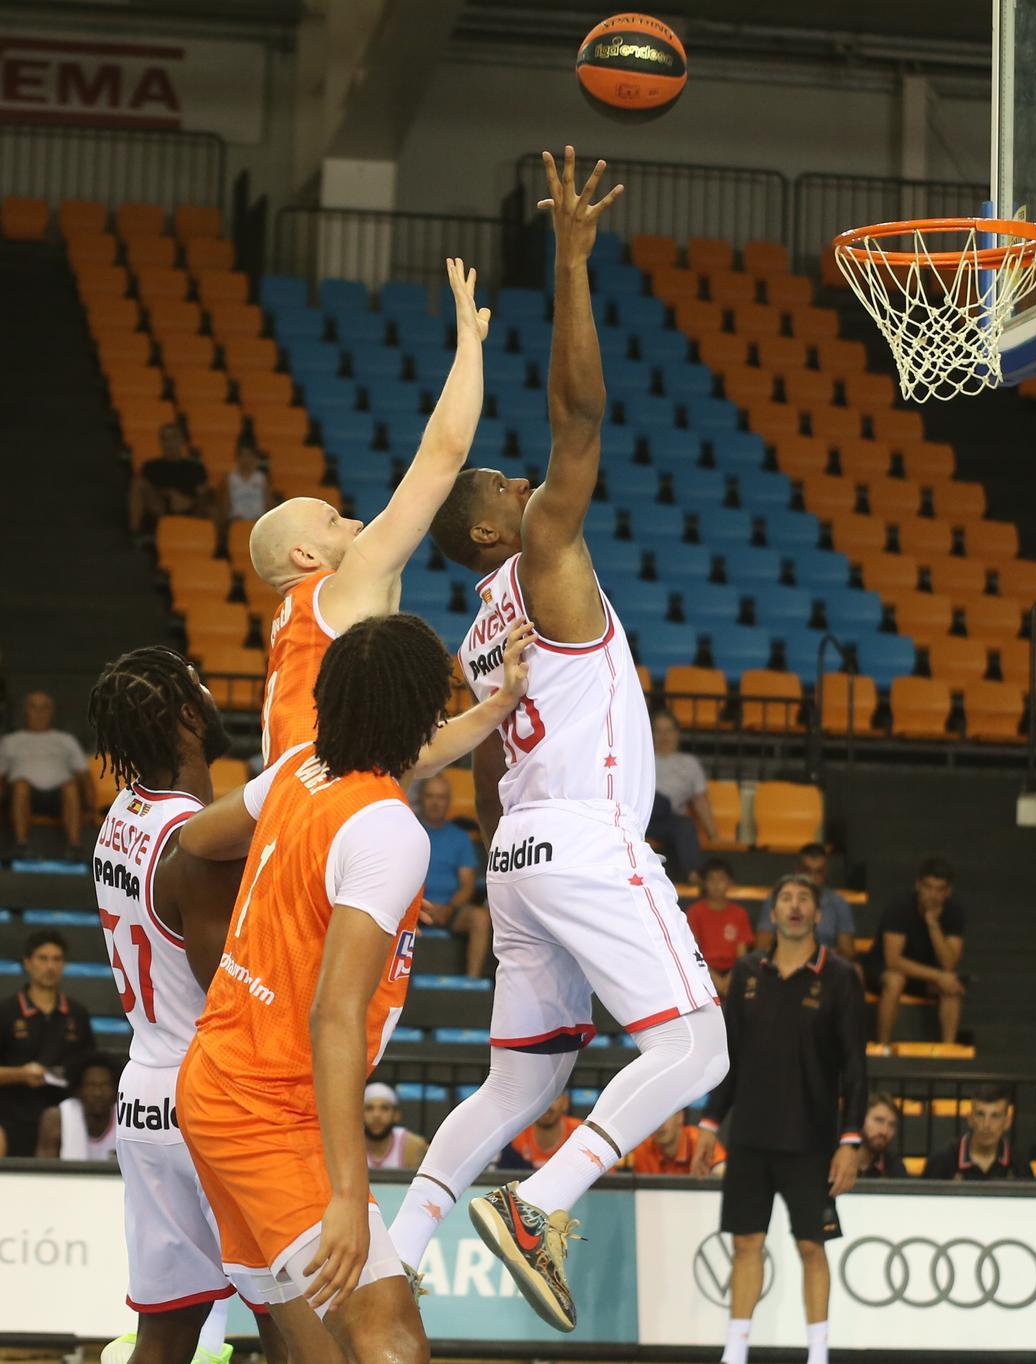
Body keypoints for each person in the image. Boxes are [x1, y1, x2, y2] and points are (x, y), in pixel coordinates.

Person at [389, 147, 728, 1337]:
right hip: (581, 832)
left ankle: (397, 1248)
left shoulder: (477, 630)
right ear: (495, 522)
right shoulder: (539, 554)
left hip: (518, 847)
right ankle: (540, 1201)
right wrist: (573, 263)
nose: (530, 481)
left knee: (521, 1077)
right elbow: (580, 413)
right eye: (511, 483)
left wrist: (509, 859)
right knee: (697, 1047)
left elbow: (482, 767)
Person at [174, 612, 529, 1363]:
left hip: (213, 1080)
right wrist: (346, 1193)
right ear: (416, 711)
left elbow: (197, 840)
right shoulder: (390, 832)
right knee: (389, 1337)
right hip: (273, 1110)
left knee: (319, 1357)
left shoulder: (302, 766)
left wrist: (495, 709)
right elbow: (334, 1016)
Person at [88, 645, 291, 1364]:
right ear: (184, 714)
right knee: (290, 1326)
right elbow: (230, 991)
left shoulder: (120, 817)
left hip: (144, 1094)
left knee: (167, 1335)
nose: (212, 699)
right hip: (209, 1091)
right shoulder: (196, 841)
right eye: (202, 690)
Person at [252, 257, 489, 766]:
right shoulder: (341, 590)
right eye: (334, 520)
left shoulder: (295, 641)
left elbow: (410, 755)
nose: (357, 523)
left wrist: (502, 703)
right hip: (327, 814)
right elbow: (443, 454)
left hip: (289, 816)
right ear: (305, 554)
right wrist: (469, 343)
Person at [693, 874, 867, 1364]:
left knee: (813, 1247)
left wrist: (850, 1140)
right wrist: (709, 1126)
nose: (794, 906)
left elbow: (856, 1065)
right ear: (772, 913)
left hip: (811, 1139)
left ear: (818, 913)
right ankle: (735, 1352)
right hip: (749, 1135)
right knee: (746, 1243)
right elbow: (728, 1059)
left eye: (804, 899)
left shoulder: (840, 976)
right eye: (785, 898)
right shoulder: (747, 972)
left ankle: (817, 1354)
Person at [0, 929, 95, 1156]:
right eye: (43, 959)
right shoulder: (6, 1011)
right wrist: (21, 1074)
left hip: (64, 1118)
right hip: (9, 1114)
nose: (50, 966)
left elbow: (89, 1069)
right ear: (28, 963)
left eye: (57, 959)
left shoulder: (77, 1013)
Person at [860, 856, 965, 1049]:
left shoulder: (954, 913)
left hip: (922, 974)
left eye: (939, 889)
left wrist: (933, 924)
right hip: (881, 968)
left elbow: (949, 963)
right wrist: (939, 976)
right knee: (896, 979)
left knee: (951, 986)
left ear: (948, 892)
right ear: (918, 885)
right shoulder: (899, 907)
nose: (932, 895)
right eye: (928, 887)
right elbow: (893, 961)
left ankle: (948, 1051)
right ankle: (883, 1047)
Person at [0, 691, 95, 857]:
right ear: (25, 711)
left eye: (44, 708)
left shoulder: (66, 740)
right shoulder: (10, 741)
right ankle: (21, 845)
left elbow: (84, 778)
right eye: (34, 707)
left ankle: (75, 846)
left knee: (70, 786)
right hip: (21, 795)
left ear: (51, 712)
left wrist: (92, 808)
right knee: (21, 785)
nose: (39, 713)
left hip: (58, 796)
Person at [415, 775, 490, 977]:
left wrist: (449, 908)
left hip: (450, 909)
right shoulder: (410, 831)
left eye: (441, 797)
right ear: (421, 799)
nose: (436, 802)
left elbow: (467, 885)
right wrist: (418, 906)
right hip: (412, 909)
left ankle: (470, 985)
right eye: (430, 796)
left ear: (449, 801)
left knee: (480, 918)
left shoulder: (460, 837)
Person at [755, 843, 856, 961]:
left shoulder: (838, 903)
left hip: (826, 965)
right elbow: (761, 947)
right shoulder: (777, 898)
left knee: (855, 970)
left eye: (818, 872)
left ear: (825, 873)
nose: (812, 878)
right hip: (784, 961)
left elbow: (848, 953)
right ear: (797, 870)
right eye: (807, 871)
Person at [647, 711, 716, 882]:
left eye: (668, 731)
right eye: (658, 731)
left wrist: (713, 834)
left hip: (668, 818)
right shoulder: (643, 758)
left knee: (685, 824)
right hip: (641, 817)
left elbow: (699, 799)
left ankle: (693, 875)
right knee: (655, 800)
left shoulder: (689, 763)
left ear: (677, 733)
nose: (663, 736)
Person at [923, 1085, 1033, 1181]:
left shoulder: (1019, 1164)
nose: (986, 1124)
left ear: (1007, 1122)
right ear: (970, 1119)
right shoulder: (943, 1160)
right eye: (980, 1114)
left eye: (995, 1116)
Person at [686, 858, 754, 1000]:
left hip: (734, 974)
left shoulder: (739, 913)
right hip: (702, 971)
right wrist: (715, 980)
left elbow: (742, 956)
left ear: (730, 883)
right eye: (711, 879)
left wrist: (729, 981)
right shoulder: (695, 912)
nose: (716, 885)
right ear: (703, 883)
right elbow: (692, 951)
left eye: (721, 879)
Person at [129, 422, 213, 536]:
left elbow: (204, 495)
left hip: (190, 509)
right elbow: (148, 493)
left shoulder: (195, 467)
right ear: (161, 442)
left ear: (182, 441)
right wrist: (168, 494)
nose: (169, 443)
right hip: (161, 509)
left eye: (174, 437)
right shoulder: (151, 466)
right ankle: (134, 536)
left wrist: (187, 502)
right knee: (137, 483)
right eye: (165, 439)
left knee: (211, 507)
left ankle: (211, 543)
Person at [36, 1052, 120, 1160]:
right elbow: (43, 1171)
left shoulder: (126, 1116)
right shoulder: (56, 1118)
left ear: (116, 1088)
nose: (97, 1093)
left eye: (105, 1085)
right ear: (78, 1089)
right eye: (91, 1086)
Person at [630, 1108, 726, 1177]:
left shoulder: (699, 1142)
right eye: (653, 1118)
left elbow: (723, 1172)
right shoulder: (642, 1150)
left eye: (665, 1115)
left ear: (680, 1116)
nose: (659, 1124)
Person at [498, 1093, 582, 1171]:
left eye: (553, 1098)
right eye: (539, 1098)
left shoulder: (582, 1133)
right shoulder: (515, 1137)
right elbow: (502, 1180)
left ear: (565, 1102)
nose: (546, 1106)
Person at [218, 439, 274, 542]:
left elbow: (269, 505)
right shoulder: (230, 479)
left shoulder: (261, 478)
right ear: (237, 458)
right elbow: (224, 506)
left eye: (249, 455)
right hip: (236, 522)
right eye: (243, 455)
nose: (246, 459)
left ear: (255, 458)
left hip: (258, 522)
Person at [364, 1083, 428, 1171]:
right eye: (369, 1108)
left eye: (384, 1108)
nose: (376, 1115)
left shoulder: (411, 1145)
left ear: (396, 1115)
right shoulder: (350, 1146)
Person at [856, 1093, 907, 1179]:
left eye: (892, 1125)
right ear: (860, 1118)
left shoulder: (893, 1166)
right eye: (879, 1120)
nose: (884, 1131)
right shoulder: (834, 1158)